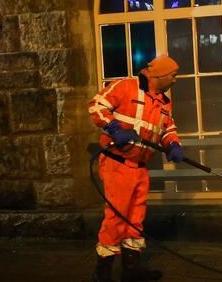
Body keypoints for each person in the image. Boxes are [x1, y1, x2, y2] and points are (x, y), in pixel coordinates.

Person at [88, 54, 186, 282]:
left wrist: (173, 144)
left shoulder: (163, 103)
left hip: (140, 167)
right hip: (117, 163)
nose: (175, 80)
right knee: (116, 217)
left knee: (135, 217)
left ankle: (131, 271)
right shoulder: (126, 87)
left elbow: (167, 128)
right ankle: (102, 273)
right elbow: (96, 105)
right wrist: (113, 128)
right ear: (160, 75)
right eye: (173, 75)